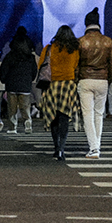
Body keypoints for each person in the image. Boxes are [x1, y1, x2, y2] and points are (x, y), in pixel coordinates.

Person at [76, 8, 112, 159]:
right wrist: (109, 79)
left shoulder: (81, 41)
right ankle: (96, 145)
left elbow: (76, 64)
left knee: (87, 114)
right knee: (99, 114)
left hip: (85, 79)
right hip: (102, 80)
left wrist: (76, 80)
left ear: (86, 24)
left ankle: (93, 148)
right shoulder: (108, 41)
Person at [39, 25, 80, 161]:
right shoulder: (74, 50)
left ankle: (56, 148)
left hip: (51, 85)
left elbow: (41, 65)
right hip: (68, 85)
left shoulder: (49, 48)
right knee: (64, 118)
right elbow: (75, 66)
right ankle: (62, 148)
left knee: (53, 118)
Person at [0, 28, 36, 134]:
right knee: (25, 107)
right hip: (25, 85)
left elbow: (4, 69)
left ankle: (12, 127)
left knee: (12, 109)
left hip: (12, 85)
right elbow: (34, 71)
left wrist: (3, 80)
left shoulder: (10, 56)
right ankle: (27, 123)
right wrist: (30, 79)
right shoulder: (30, 58)